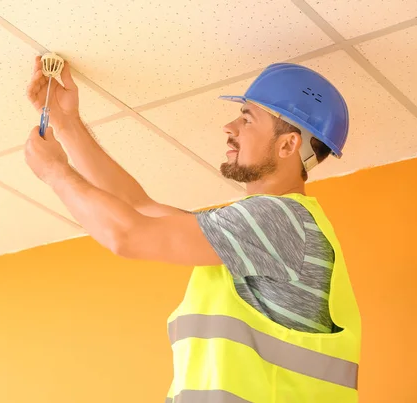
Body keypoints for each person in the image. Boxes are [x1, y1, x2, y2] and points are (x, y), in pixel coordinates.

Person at [24, 56, 361, 403]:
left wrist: (55, 172)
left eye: (246, 119)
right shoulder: (261, 229)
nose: (229, 128)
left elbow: (126, 235)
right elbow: (138, 207)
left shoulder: (280, 221)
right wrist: (66, 124)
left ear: (288, 145)